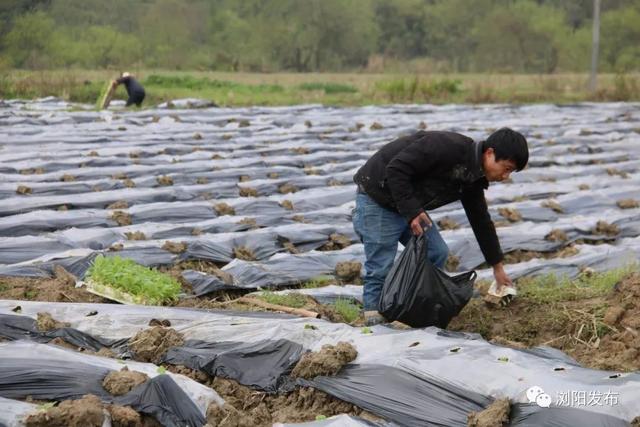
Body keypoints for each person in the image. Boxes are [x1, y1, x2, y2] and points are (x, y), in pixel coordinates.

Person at [352, 128, 529, 325]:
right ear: (490, 154)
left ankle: (409, 308)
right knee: (380, 267)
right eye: (506, 168)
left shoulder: (473, 179)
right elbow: (396, 169)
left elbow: (481, 221)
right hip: (378, 199)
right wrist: (412, 211)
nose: (506, 176)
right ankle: (375, 326)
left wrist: (497, 267)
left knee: (436, 251)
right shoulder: (447, 147)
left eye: (511, 172)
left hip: (407, 204)